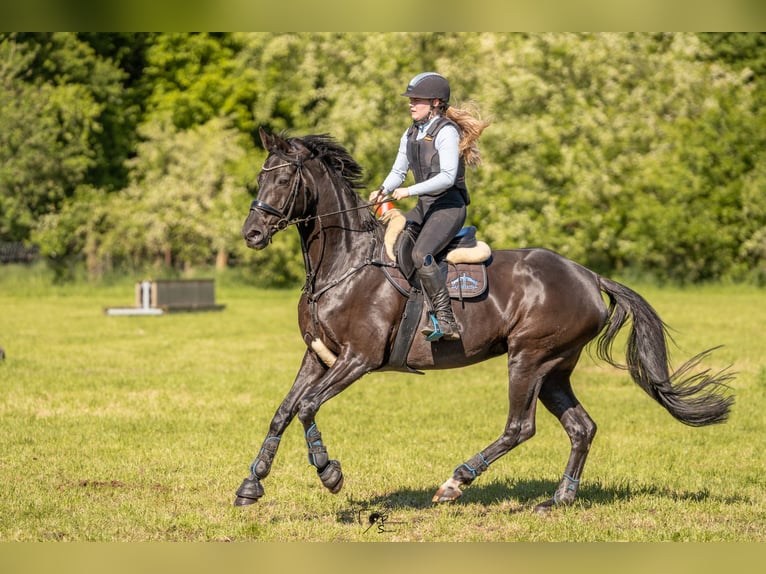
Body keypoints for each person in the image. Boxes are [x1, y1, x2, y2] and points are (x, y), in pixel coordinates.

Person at [370, 72, 489, 341]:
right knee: (396, 244)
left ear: (436, 102)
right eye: (410, 99)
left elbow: (447, 177)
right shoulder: (411, 132)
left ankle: (446, 320)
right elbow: (398, 171)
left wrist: (408, 191)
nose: (411, 104)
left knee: (421, 253)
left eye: (417, 100)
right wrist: (384, 189)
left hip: (448, 207)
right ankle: (412, 310)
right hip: (426, 207)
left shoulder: (447, 132)